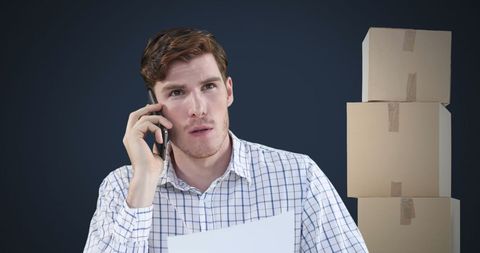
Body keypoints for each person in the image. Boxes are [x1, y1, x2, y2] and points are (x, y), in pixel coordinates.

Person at [83, 27, 368, 253]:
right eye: (177, 93)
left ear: (228, 91)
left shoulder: (300, 177)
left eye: (208, 86)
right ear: (154, 106)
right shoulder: (121, 189)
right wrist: (143, 181)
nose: (198, 108)